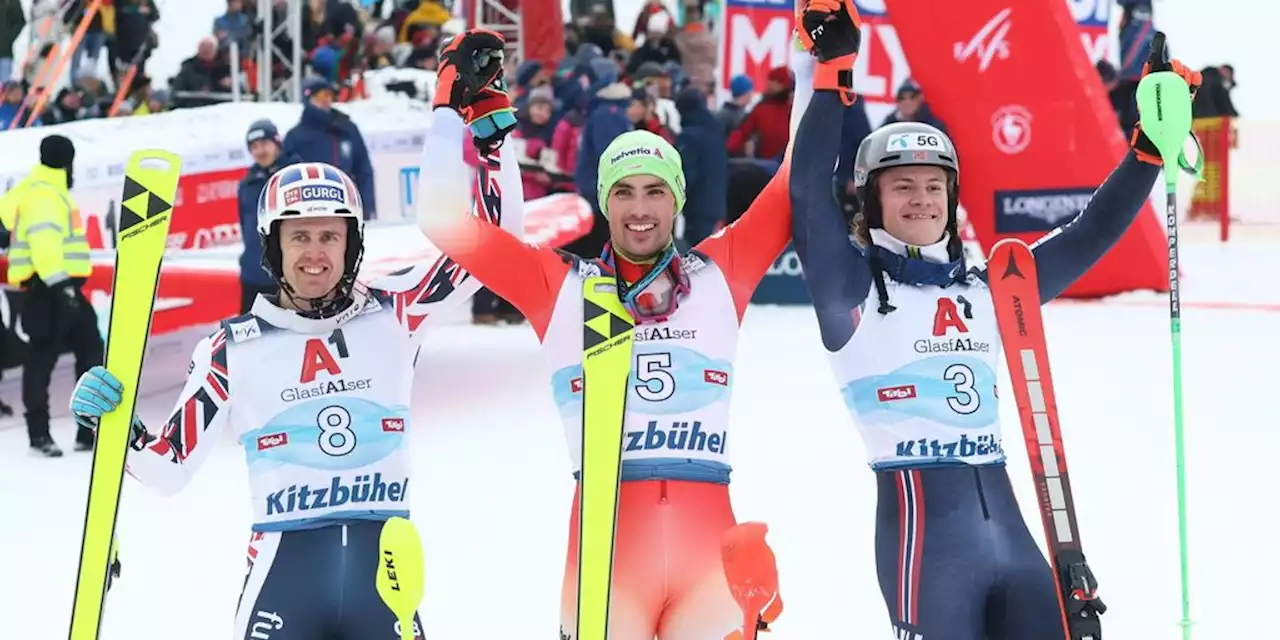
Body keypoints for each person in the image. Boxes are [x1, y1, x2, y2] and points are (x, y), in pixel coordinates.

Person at [787, 1, 1201, 636]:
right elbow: (808, 191)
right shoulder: (852, 291)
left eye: (934, 185)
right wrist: (833, 73)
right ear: (872, 201)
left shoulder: (990, 291)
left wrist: (1148, 150)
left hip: (1018, 543)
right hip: (925, 549)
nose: (922, 198)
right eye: (902, 186)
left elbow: (1090, 235)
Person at [417, 28, 810, 639]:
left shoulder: (718, 273)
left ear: (677, 199)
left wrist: (820, 67)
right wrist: (449, 111)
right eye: (623, 193)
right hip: (605, 563)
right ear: (604, 202)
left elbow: (799, 178)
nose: (640, 209)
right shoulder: (561, 287)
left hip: (709, 561)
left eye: (656, 191)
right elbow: (442, 219)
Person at [67, 152, 522, 636]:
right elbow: (166, 469)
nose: (315, 253)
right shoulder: (229, 349)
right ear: (273, 246)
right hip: (283, 581)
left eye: (330, 236)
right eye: (299, 236)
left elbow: (495, 244)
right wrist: (115, 425)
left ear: (352, 244)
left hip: (385, 579)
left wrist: (491, 138)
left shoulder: (396, 312)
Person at [0, 134, 101, 456]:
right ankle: (40, 436)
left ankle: (86, 430)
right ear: (67, 160)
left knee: (87, 351)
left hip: (56, 288)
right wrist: (62, 288)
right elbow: (45, 247)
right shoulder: (44, 194)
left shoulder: (38, 187)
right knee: (42, 360)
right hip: (50, 289)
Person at [284, 76, 377, 220]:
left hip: (347, 209)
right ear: (308, 99)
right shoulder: (295, 136)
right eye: (319, 96)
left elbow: (363, 167)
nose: (325, 100)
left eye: (328, 95)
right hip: (310, 213)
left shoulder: (347, 128)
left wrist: (366, 205)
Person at [238, 119, 301, 313]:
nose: (260, 151)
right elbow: (245, 226)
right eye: (254, 147)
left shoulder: (296, 174)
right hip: (253, 275)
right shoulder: (248, 182)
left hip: (288, 276)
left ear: (276, 142)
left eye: (264, 144)